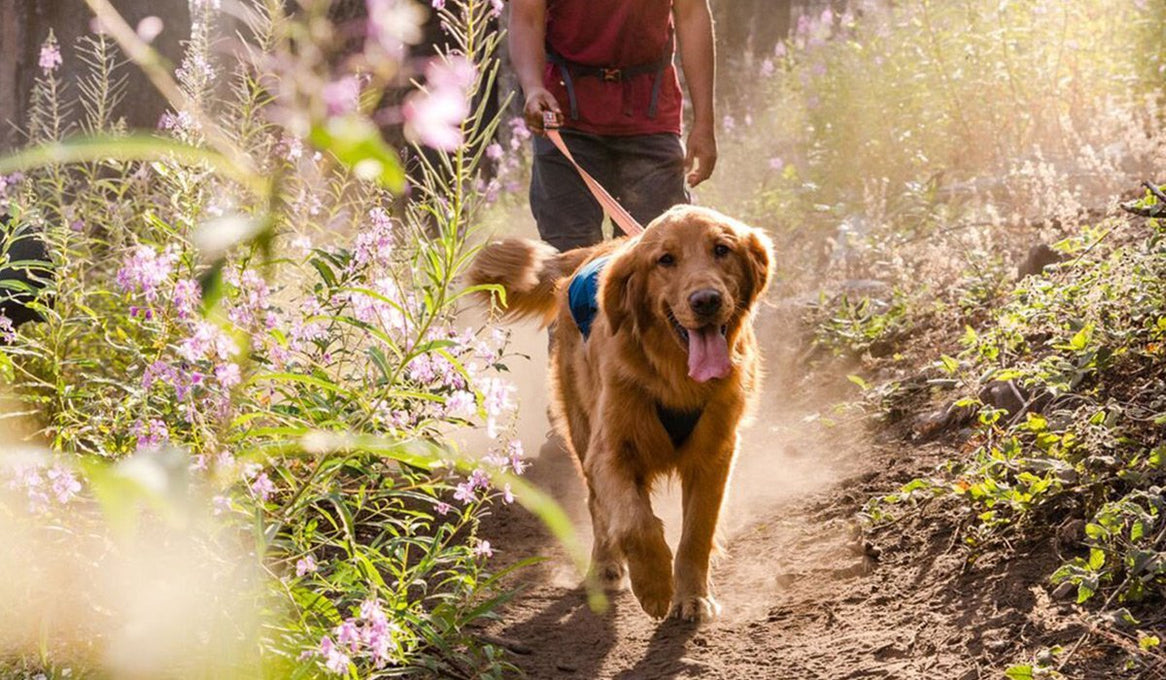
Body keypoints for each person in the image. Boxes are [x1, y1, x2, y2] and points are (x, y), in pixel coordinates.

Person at [509, 0, 717, 252]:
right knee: (570, 253)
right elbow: (527, 18)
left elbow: (692, 15)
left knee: (657, 252)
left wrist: (704, 123)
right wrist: (533, 87)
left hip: (650, 119)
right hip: (565, 117)